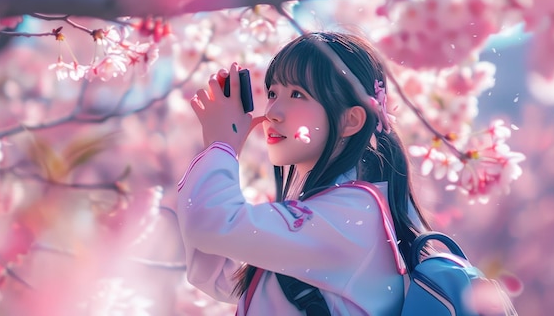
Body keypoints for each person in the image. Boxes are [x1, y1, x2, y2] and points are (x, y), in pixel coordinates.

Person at [176, 31, 431, 315]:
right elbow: (216, 275)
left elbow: (210, 225)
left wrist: (221, 147)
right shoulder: (334, 212)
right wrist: (221, 148)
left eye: (297, 94)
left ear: (350, 120)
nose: (273, 111)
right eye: (272, 93)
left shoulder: (353, 216)